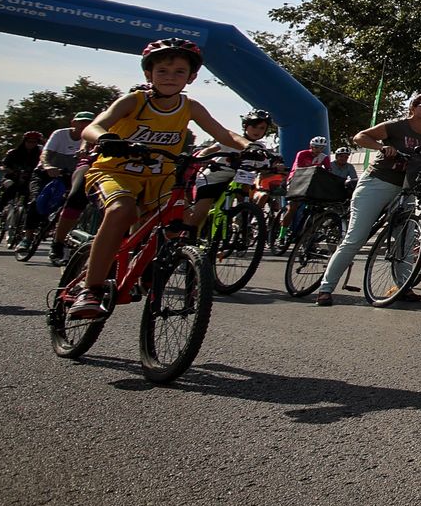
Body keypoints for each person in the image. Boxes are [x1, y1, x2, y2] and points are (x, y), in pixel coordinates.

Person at [69, 40, 252, 319]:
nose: (170, 77)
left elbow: (224, 134)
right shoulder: (134, 101)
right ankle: (89, 289)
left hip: (160, 179)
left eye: (179, 72)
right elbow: (95, 125)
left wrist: (250, 148)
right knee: (122, 211)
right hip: (116, 173)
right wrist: (106, 138)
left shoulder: (190, 106)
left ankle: (143, 271)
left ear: (191, 77)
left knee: (177, 222)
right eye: (163, 70)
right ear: (148, 74)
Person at [312, 92, 421, 307]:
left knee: (405, 240)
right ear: (413, 107)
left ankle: (403, 286)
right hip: (377, 183)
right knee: (356, 237)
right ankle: (325, 288)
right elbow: (360, 136)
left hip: (404, 189)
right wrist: (382, 147)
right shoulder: (397, 126)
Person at [187, 109, 278, 228]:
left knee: (246, 185)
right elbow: (207, 151)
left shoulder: (260, 147)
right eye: (254, 127)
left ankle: (242, 220)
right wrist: (202, 158)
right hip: (214, 177)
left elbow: (265, 165)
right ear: (245, 126)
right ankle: (189, 237)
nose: (257, 131)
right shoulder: (231, 140)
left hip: (239, 180)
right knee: (201, 212)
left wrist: (274, 168)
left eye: (262, 128)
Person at [29, 112, 92, 260]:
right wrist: (47, 166)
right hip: (48, 171)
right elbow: (45, 154)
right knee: (37, 201)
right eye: (82, 122)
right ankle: (28, 237)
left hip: (68, 174)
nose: (85, 125)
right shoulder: (60, 134)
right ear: (73, 123)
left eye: (87, 122)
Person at [278, 135, 332, 243]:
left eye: (321, 148)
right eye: (316, 147)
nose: (318, 150)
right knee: (293, 207)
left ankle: (307, 233)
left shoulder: (324, 157)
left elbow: (328, 171)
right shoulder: (302, 154)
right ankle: (282, 235)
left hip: (311, 183)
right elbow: (300, 169)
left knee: (314, 208)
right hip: (296, 179)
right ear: (311, 146)